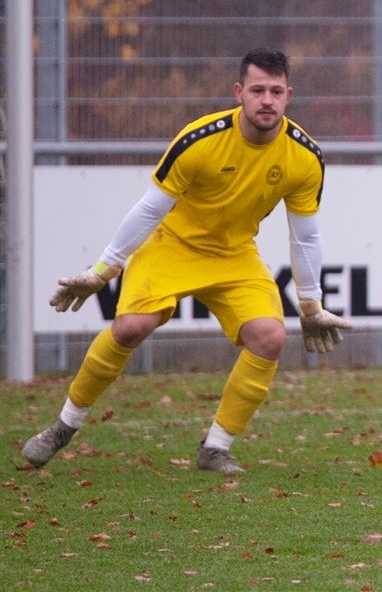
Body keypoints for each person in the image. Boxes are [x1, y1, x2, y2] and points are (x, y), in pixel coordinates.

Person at [22, 48, 352, 475]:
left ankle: (215, 448)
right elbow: (149, 210)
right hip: (171, 245)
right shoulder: (200, 139)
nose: (266, 100)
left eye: (275, 91)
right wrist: (104, 270)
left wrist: (310, 305)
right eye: (257, 90)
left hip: (234, 255)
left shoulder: (304, 156)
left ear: (288, 94)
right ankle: (63, 427)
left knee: (270, 336)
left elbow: (305, 235)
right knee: (130, 326)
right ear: (239, 93)